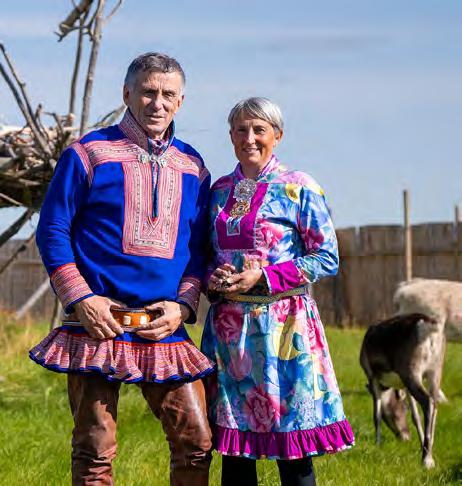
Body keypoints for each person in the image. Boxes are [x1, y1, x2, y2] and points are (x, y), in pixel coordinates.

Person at [29, 52, 215, 486]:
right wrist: (81, 298)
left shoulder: (194, 167)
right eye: (148, 92)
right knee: (94, 450)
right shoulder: (88, 153)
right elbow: (53, 228)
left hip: (163, 324)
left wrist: (183, 307)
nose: (157, 103)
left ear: (181, 101)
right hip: (97, 322)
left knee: (196, 443)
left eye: (168, 94)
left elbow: (199, 248)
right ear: (127, 93)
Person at [201, 97, 355, 486]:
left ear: (278, 135)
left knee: (293, 449)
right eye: (241, 129)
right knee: (236, 453)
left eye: (259, 130)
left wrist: (264, 277)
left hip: (285, 332)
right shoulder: (218, 192)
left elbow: (327, 258)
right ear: (231, 136)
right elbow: (205, 254)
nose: (249, 138)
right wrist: (211, 277)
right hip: (229, 334)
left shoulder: (299, 188)